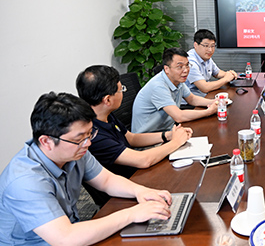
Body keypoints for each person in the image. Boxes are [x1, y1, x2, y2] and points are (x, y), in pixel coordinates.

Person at [0, 92, 172, 246]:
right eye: (80, 138)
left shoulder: (75, 151)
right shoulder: (24, 181)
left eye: (90, 134)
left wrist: (141, 191)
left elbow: (107, 181)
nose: (88, 143)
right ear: (46, 141)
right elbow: (65, 239)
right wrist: (132, 214)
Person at [76, 65, 193, 206]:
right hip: (121, 196)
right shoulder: (93, 135)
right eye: (121, 90)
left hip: (135, 176)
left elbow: (130, 138)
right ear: (107, 100)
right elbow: (142, 160)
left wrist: (167, 135)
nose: (123, 92)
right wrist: (175, 142)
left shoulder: (103, 114)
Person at [131, 47, 218, 133]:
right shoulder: (158, 86)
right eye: (180, 67)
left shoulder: (177, 80)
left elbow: (192, 99)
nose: (186, 70)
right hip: (149, 139)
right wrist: (209, 112)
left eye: (187, 65)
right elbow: (179, 116)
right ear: (166, 69)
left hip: (167, 131)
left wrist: (216, 101)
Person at [185, 29, 238, 98]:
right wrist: (226, 79)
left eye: (212, 46)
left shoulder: (205, 56)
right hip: (191, 103)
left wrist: (229, 74)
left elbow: (217, 73)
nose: (210, 50)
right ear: (195, 45)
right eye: (206, 46)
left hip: (204, 96)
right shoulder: (190, 62)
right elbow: (204, 88)